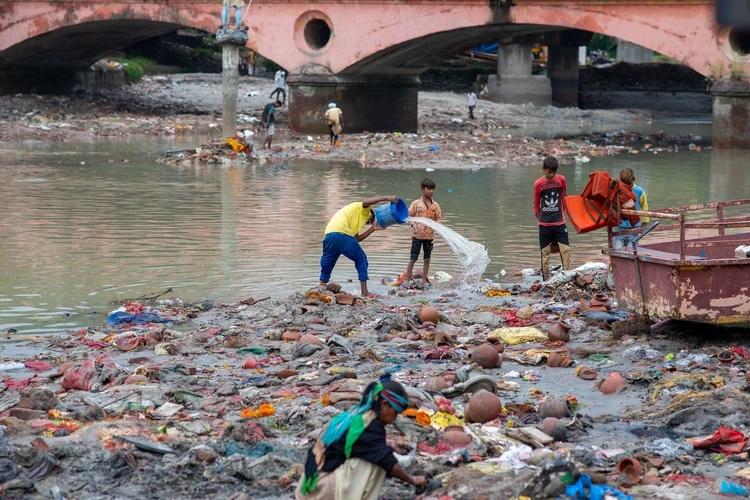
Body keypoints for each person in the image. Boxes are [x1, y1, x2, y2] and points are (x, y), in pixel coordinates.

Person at [296, 376, 426, 499]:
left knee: (376, 453)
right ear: (385, 404)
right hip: (322, 489)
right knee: (375, 462)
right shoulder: (372, 427)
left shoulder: (358, 414)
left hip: (309, 483)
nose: (394, 419)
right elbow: (388, 463)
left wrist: (389, 444)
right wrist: (413, 480)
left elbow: (356, 442)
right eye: (395, 413)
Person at [320, 196, 398, 297]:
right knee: (361, 259)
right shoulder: (364, 211)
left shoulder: (353, 219)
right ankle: (364, 292)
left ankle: (322, 285)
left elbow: (356, 240)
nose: (368, 222)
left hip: (329, 235)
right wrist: (387, 198)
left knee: (327, 261)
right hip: (342, 234)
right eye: (370, 221)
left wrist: (373, 228)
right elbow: (366, 201)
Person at [533, 156, 571, 280]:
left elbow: (564, 197)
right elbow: (536, 203)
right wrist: (539, 219)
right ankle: (545, 280)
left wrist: (564, 212)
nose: (551, 175)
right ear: (544, 169)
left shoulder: (561, 180)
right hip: (545, 224)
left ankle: (567, 278)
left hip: (560, 222)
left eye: (554, 172)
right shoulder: (538, 184)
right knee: (545, 254)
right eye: (549, 172)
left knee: (565, 251)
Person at [403, 177, 442, 289]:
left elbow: (438, 218)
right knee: (413, 258)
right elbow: (409, 216)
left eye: (433, 189)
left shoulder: (435, 206)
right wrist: (412, 224)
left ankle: (424, 281)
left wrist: (436, 225)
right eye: (428, 189)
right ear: (422, 189)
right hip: (417, 236)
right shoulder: (416, 204)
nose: (431, 191)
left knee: (427, 259)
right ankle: (407, 280)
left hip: (429, 236)